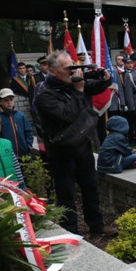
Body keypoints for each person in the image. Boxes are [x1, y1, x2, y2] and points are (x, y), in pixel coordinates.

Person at [35, 50, 115, 236]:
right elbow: (68, 115)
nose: (73, 72)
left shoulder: (73, 82)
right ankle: (70, 232)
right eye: (68, 68)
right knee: (66, 194)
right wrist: (79, 90)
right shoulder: (44, 95)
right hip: (61, 151)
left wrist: (105, 77)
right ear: (53, 71)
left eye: (74, 67)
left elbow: (98, 87)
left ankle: (96, 226)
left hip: (82, 147)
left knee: (91, 188)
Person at [0, 88, 33, 158]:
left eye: (11, 100)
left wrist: (28, 145)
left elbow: (28, 131)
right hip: (7, 155)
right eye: (6, 100)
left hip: (24, 154)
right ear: (0, 101)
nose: (9, 102)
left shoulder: (20, 115)